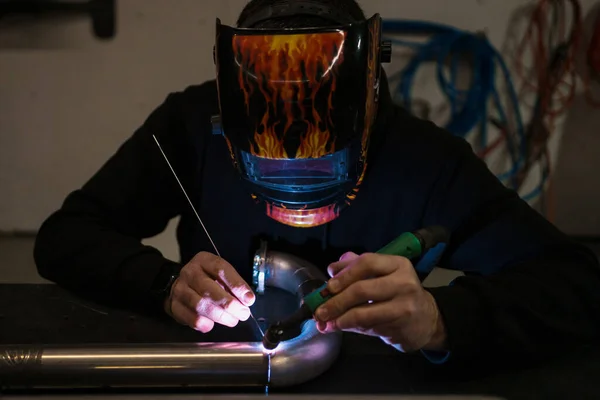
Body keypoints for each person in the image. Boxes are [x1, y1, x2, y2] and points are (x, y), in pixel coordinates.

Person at [34, 0, 600, 366]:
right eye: (269, 166)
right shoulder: (190, 125)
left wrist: (441, 318)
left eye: (319, 164)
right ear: (228, 126)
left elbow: (577, 283)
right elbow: (66, 236)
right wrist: (164, 283)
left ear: (368, 117)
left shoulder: (426, 159)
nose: (295, 194)